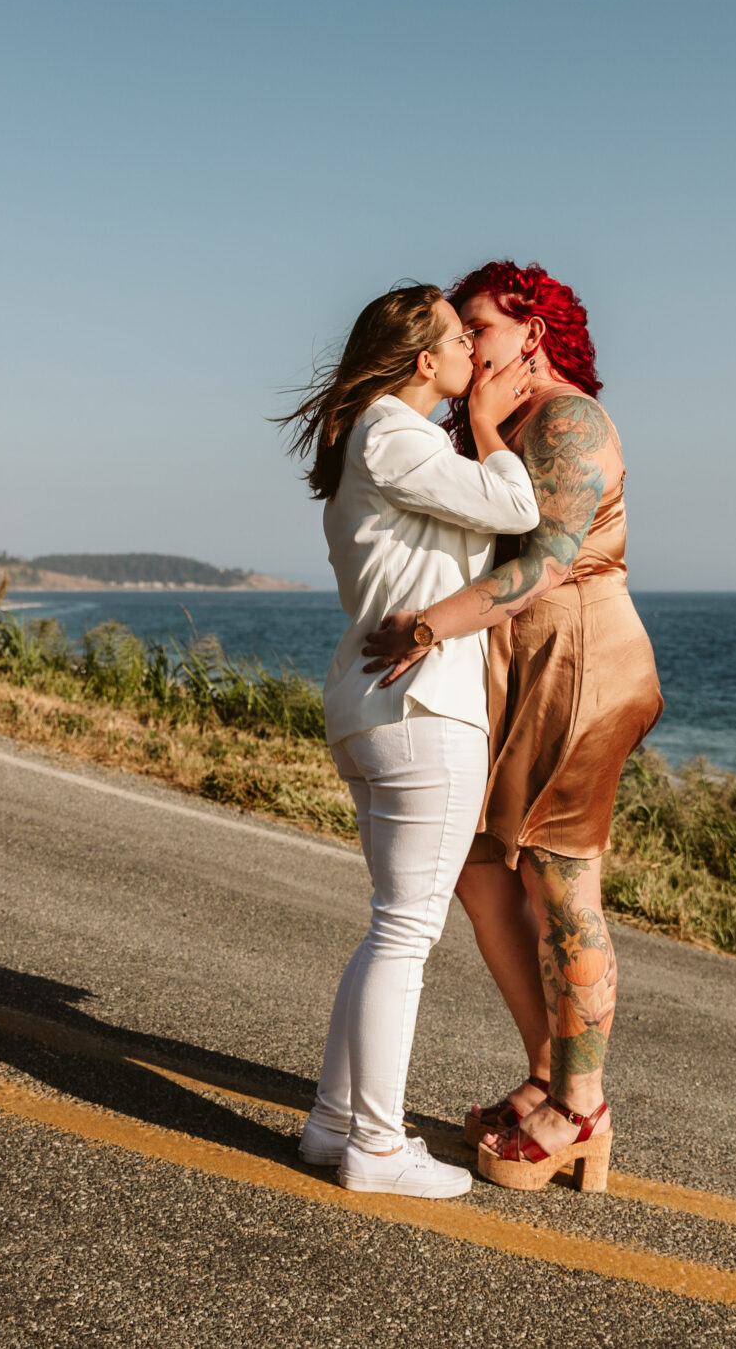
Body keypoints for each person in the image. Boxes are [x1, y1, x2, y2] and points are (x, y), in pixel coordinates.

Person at [360, 260, 661, 1193]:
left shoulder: (572, 422)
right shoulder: (507, 423)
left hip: (583, 663)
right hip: (521, 664)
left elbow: (548, 564)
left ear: (533, 332)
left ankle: (581, 1108)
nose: (464, 343)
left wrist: (430, 624)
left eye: (479, 326)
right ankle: (550, 1074)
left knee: (566, 882)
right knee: (485, 866)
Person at [276, 282, 537, 1198]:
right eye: (458, 338)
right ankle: (378, 1148)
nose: (475, 347)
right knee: (406, 935)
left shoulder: (388, 440)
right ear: (426, 362)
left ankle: (333, 1123)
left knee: (390, 927)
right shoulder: (396, 432)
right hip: (421, 711)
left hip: (383, 708)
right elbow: (514, 507)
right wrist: (495, 426)